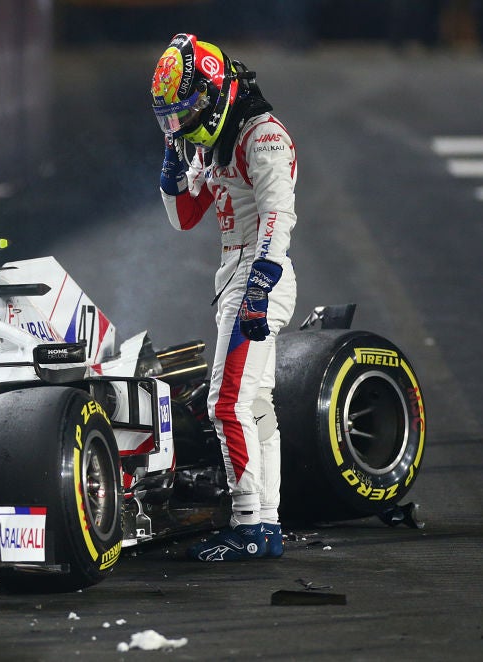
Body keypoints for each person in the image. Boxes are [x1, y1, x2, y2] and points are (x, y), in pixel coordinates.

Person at [150, 33, 298, 561]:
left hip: (257, 277)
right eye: (169, 118)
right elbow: (185, 219)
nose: (179, 126)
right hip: (237, 277)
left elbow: (280, 217)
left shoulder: (263, 136)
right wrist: (171, 176)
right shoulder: (213, 140)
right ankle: (268, 523)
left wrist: (259, 284)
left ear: (214, 94)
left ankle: (247, 523)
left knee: (225, 403)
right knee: (256, 404)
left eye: (184, 113)